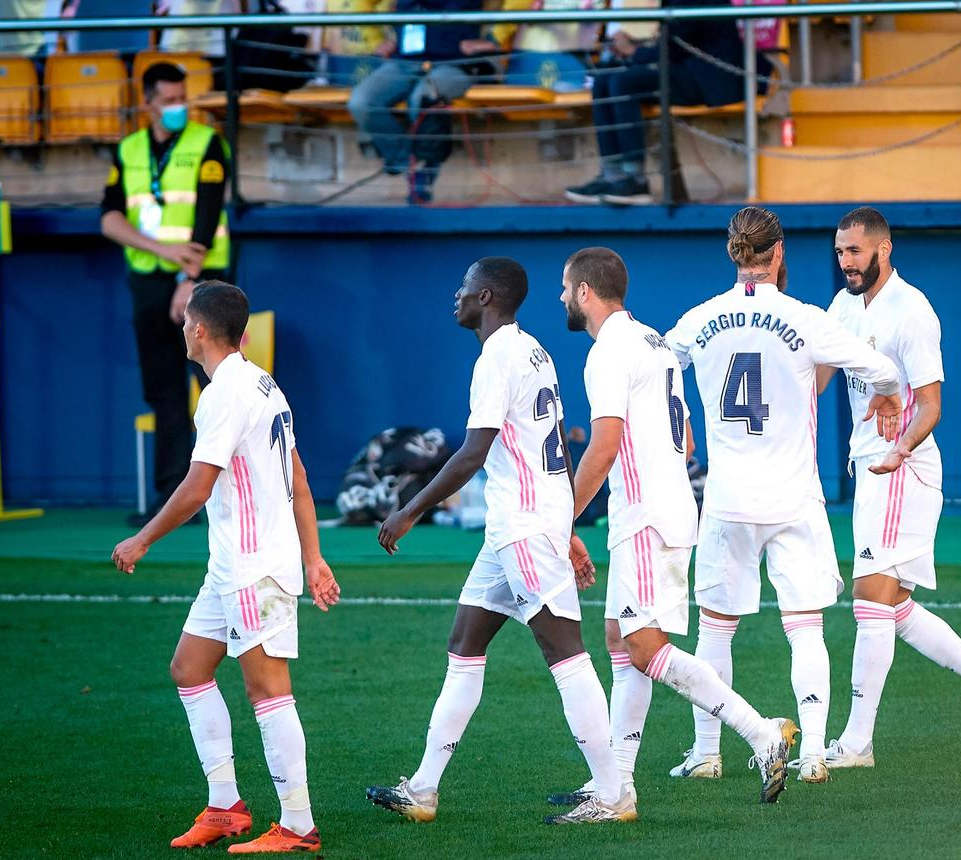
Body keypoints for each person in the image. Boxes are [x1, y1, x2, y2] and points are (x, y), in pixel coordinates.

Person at [367, 257, 634, 825]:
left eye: (464, 287)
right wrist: (564, 528)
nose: (456, 296)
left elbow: (472, 452)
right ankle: (423, 788)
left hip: (524, 529)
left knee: (566, 653)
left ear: (486, 297)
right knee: (464, 643)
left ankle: (614, 794)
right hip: (520, 526)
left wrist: (409, 510)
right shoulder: (533, 349)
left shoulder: (498, 357)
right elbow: (553, 442)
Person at [548, 246, 797, 809]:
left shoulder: (608, 352)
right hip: (667, 504)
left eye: (566, 287)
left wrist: (559, 520)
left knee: (642, 645)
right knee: (619, 639)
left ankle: (761, 733)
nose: (562, 297)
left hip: (644, 514)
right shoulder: (654, 342)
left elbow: (605, 447)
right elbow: (684, 440)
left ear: (586, 291)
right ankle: (617, 782)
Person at [664, 206, 903, 784]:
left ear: (732, 254)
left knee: (716, 629)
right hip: (795, 497)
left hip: (725, 499)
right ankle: (815, 753)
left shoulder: (698, 320)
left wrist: (679, 415)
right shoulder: (806, 317)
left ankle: (706, 753)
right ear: (778, 253)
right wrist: (887, 395)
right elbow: (880, 366)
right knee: (806, 629)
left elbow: (659, 368)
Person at [112, 281, 340, 853]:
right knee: (189, 668)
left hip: (253, 565)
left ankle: (298, 824)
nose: (181, 326)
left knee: (268, 690)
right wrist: (313, 559)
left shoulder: (223, 394)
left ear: (198, 329)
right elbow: (301, 481)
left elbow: (196, 487)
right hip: (234, 566)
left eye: (185, 317)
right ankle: (225, 807)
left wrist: (141, 539)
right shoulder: (264, 383)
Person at [818, 207, 961, 769]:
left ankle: (857, 743)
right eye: (840, 251)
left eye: (855, 251)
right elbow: (816, 377)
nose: (846, 261)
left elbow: (932, 404)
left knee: (870, 596)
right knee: (894, 606)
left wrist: (898, 450)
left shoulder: (911, 311)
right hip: (871, 466)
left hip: (902, 469)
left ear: (883, 250)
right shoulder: (842, 306)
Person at [101, 61, 231, 527]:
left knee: (217, 388)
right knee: (164, 392)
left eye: (183, 98)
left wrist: (188, 284)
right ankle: (171, 498)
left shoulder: (207, 144)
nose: (179, 106)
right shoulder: (130, 149)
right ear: (148, 103)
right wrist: (160, 250)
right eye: (170, 100)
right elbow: (110, 218)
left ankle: (231, 493)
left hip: (204, 283)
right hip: (147, 284)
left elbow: (206, 218)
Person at [564, 0, 770, 206]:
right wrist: (633, 50)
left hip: (707, 78)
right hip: (682, 69)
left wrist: (633, 52)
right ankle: (612, 175)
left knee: (622, 83)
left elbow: (676, 46)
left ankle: (636, 180)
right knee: (603, 81)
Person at [346, 0, 497, 203]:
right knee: (361, 101)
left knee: (423, 97)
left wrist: (494, 39)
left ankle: (426, 173)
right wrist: (377, 39)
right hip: (404, 62)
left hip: (454, 64)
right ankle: (408, 165)